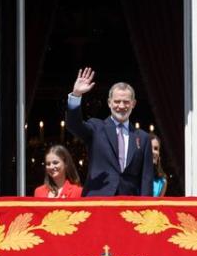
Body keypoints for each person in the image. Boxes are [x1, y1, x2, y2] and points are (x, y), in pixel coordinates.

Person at [65, 67, 154, 196]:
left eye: (126, 102)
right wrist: (76, 95)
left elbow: (147, 179)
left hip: (129, 205)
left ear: (133, 104)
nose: (121, 106)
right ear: (109, 103)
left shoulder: (143, 138)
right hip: (98, 201)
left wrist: (146, 209)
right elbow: (73, 125)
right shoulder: (96, 128)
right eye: (117, 101)